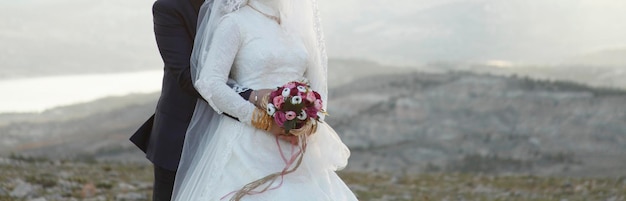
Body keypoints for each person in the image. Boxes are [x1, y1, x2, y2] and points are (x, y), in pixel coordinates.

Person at [172, 0, 357, 200]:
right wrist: (261, 120)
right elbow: (209, 82)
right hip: (246, 141)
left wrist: (308, 123)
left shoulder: (298, 27)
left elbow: (317, 83)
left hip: (296, 142)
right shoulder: (234, 22)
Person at [129, 0, 293, 200]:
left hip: (241, 137)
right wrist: (253, 95)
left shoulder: (244, 5)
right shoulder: (169, 7)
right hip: (182, 133)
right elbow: (187, 76)